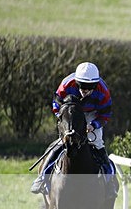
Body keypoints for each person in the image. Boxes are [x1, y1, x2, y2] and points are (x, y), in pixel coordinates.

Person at [30, 61, 114, 194]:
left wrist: (93, 125)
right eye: (82, 87)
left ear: (95, 85)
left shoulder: (103, 91)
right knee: (61, 143)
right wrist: (63, 119)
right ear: (77, 82)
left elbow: (106, 114)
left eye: (89, 88)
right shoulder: (66, 85)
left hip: (92, 113)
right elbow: (56, 104)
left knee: (98, 143)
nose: (84, 91)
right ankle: (42, 178)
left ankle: (109, 183)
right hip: (70, 111)